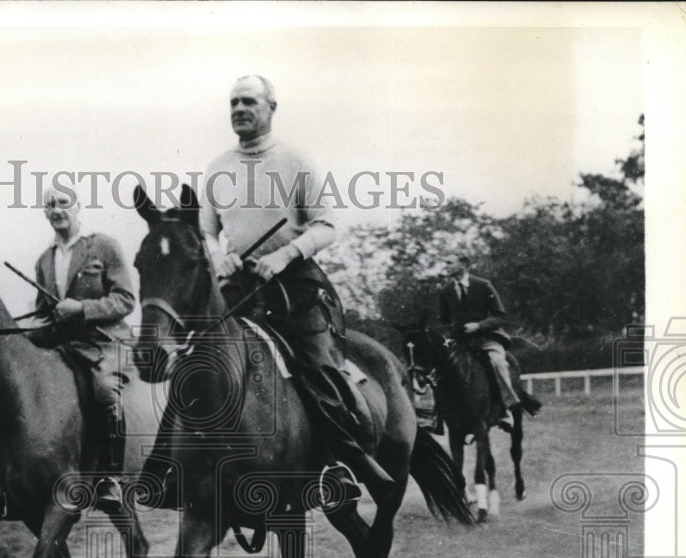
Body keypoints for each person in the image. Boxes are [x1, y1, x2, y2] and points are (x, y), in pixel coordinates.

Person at [198, 74, 392, 506]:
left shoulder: (295, 161)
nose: (239, 110)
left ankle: (339, 465)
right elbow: (206, 232)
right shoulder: (216, 168)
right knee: (199, 362)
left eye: (248, 101)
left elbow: (326, 226)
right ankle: (176, 467)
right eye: (233, 103)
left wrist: (283, 257)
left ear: (271, 108)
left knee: (319, 367)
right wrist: (218, 257)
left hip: (295, 285)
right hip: (237, 288)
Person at [0, 187, 136, 520]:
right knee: (17, 392)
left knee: (103, 392)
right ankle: (8, 491)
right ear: (45, 214)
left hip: (105, 343)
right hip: (65, 346)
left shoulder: (103, 246)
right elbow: (46, 314)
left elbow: (126, 300)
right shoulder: (44, 260)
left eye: (63, 203)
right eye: (49, 205)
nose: (56, 210)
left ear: (78, 207)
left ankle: (111, 479)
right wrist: (20, 336)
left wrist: (82, 308)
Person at [437, 254, 520, 430]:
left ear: (464, 265)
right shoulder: (446, 291)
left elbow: (500, 316)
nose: (446, 266)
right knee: (439, 366)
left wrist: (479, 325)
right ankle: (439, 414)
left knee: (498, 363)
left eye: (450, 262)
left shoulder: (483, 285)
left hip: (487, 339)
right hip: (461, 342)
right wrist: (453, 330)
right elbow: (443, 320)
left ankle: (507, 409)